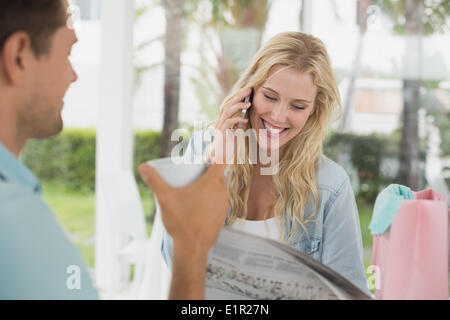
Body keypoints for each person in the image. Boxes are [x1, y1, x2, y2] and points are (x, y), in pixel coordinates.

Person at [0, 0, 229, 300]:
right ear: (19, 56)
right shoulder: (15, 223)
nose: (73, 75)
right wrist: (190, 245)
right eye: (68, 52)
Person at [160, 32, 371, 296]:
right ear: (248, 92)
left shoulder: (330, 185)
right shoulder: (204, 150)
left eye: (298, 106)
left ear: (313, 111)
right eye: (270, 97)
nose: (279, 115)